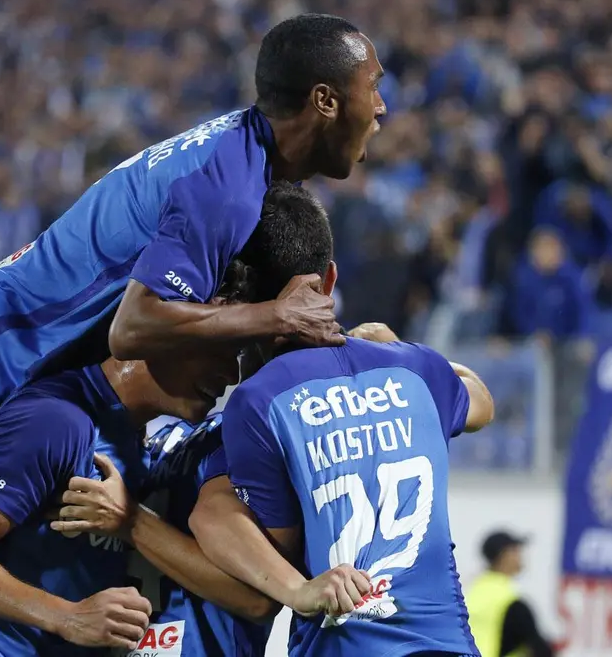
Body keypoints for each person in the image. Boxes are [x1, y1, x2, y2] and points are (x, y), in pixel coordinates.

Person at [0, 13, 387, 656]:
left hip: (39, 357)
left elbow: (219, 319)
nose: (383, 106)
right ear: (325, 100)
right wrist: (277, 317)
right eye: (374, 85)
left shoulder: (244, 167)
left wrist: (344, 348)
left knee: (3, 545)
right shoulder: (226, 187)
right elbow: (135, 326)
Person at [0, 183, 371, 655]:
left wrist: (365, 355)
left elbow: (254, 598)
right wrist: (67, 617)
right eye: (222, 349)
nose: (230, 373)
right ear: (171, 336)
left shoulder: (141, 446)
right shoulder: (58, 419)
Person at [181, 247, 495, 655]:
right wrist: (398, 349)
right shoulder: (415, 369)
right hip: (445, 643)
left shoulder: (261, 400)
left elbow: (257, 543)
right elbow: (482, 404)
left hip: (346, 643)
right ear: (329, 279)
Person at [51, 322, 402, 657]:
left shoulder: (248, 442)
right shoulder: (153, 444)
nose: (232, 374)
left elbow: (257, 599)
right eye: (231, 350)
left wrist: (132, 521)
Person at [464, 531, 552, 657]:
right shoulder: (510, 601)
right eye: (515, 551)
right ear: (503, 556)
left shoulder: (472, 592)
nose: (520, 556)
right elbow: (540, 649)